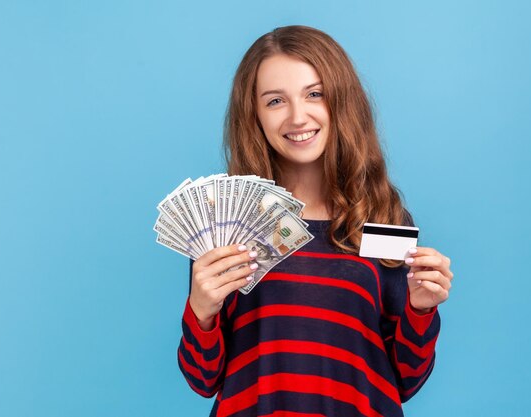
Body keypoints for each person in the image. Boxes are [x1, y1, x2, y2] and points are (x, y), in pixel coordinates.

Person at [177, 25, 454, 417]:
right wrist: (201, 311)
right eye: (275, 101)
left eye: (314, 94)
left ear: (341, 100)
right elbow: (202, 380)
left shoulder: (381, 216)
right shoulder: (226, 222)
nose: (296, 116)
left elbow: (406, 380)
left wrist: (421, 310)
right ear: (253, 113)